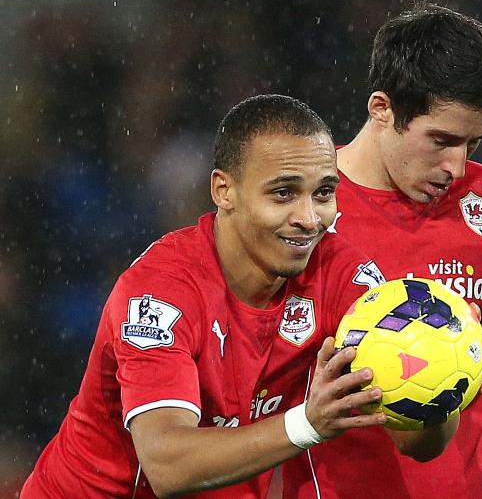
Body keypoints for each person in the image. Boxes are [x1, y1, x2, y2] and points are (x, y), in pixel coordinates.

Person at [20, 94, 453, 498]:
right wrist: (307, 423)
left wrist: (447, 377)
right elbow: (168, 465)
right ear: (223, 191)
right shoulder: (159, 292)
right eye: (283, 193)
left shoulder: (341, 274)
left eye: (323, 193)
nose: (308, 218)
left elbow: (416, 442)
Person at [287, 3, 482, 499]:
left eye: (473, 143)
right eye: (441, 140)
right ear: (382, 108)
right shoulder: (308, 214)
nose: (456, 165)